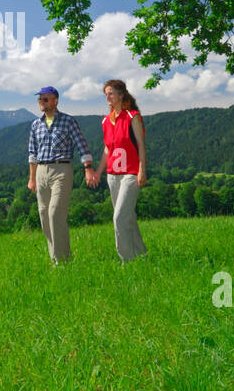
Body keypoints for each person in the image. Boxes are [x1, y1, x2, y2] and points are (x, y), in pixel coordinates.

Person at [26, 86, 98, 264]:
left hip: (62, 170)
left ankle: (62, 261)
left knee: (55, 214)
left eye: (45, 99)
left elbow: (82, 145)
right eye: (39, 99)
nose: (41, 102)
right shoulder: (35, 124)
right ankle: (55, 258)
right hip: (41, 172)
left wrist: (88, 168)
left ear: (55, 101)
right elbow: (32, 153)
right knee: (43, 215)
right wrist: (32, 178)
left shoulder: (68, 121)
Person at [99, 79, 148, 262]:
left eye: (111, 93)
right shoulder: (105, 121)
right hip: (112, 175)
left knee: (119, 217)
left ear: (121, 95)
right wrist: (98, 171)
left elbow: (141, 145)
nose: (108, 97)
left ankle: (127, 260)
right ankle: (141, 254)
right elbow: (107, 149)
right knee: (128, 217)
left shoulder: (132, 116)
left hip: (131, 173)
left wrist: (142, 169)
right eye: (106, 94)